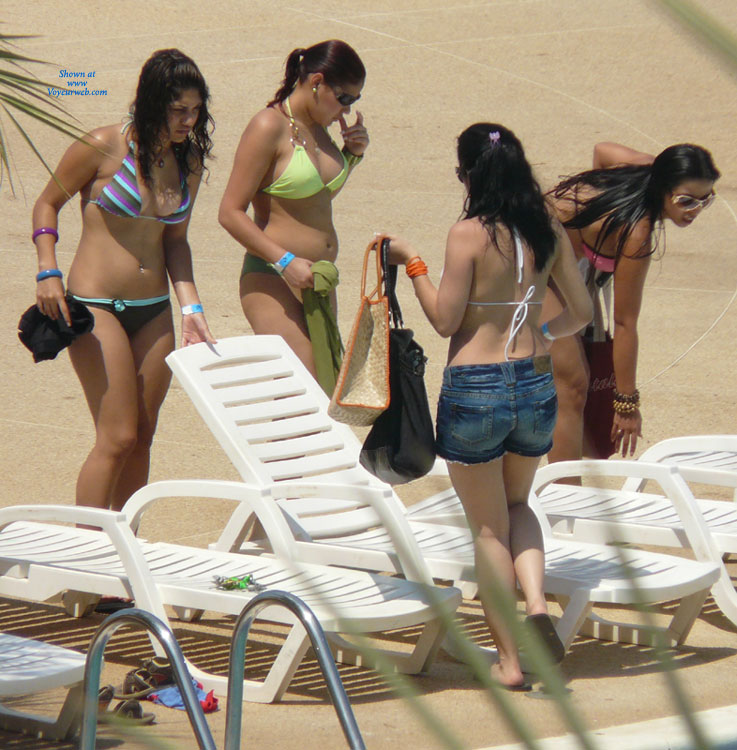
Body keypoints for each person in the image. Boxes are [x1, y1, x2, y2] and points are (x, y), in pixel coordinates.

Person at [388, 124, 592, 690]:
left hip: (476, 383)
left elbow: (446, 320)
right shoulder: (547, 226)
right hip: (535, 378)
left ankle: (508, 663)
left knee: (488, 530)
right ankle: (535, 605)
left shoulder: (469, 233)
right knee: (519, 504)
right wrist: (539, 332)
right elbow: (580, 312)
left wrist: (414, 263)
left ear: (470, 177)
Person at [32, 48, 215, 514]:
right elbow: (47, 203)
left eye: (195, 110)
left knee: (143, 437)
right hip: (96, 303)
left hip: (154, 309)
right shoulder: (103, 145)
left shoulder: (187, 161)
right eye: (178, 109)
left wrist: (191, 308)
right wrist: (47, 270)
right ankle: (88, 556)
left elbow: (176, 242)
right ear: (152, 101)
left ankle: (124, 553)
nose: (187, 120)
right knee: (117, 436)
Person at [545, 142, 720, 461]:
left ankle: (571, 486)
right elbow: (625, 324)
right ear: (663, 186)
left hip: (554, 254)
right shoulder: (636, 232)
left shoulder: (648, 167)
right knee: (570, 387)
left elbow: (601, 150)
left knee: (573, 382)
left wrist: (591, 222)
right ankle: (563, 500)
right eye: (686, 200)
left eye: (706, 200)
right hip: (528, 259)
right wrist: (626, 405)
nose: (694, 209)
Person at [219, 39, 369, 391]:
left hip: (316, 281)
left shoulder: (321, 129)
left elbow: (315, 199)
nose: (345, 112)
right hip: (274, 277)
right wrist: (286, 261)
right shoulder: (268, 126)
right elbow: (229, 212)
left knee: (322, 397)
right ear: (317, 82)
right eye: (344, 98)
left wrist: (352, 155)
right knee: (304, 390)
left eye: (354, 102)